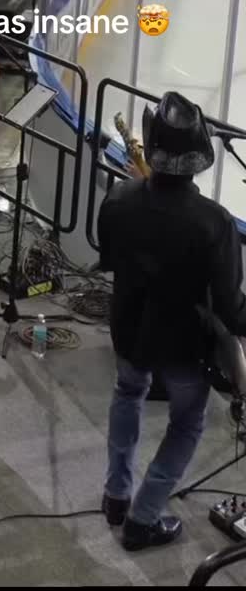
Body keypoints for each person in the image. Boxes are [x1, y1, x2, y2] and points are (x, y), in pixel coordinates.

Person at [98, 92, 246, 552]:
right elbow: (230, 307)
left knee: (127, 394)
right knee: (185, 426)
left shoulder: (118, 199)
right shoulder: (215, 222)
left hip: (129, 329)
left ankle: (116, 496)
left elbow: (110, 259)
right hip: (185, 345)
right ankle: (143, 518)